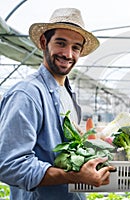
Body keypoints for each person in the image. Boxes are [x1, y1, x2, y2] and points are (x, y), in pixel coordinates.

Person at [0, 8, 115, 200]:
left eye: (76, 47)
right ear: (44, 42)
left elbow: (64, 146)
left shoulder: (67, 93)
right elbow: (10, 165)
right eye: (61, 43)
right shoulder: (27, 94)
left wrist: (94, 142)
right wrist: (73, 176)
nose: (68, 54)